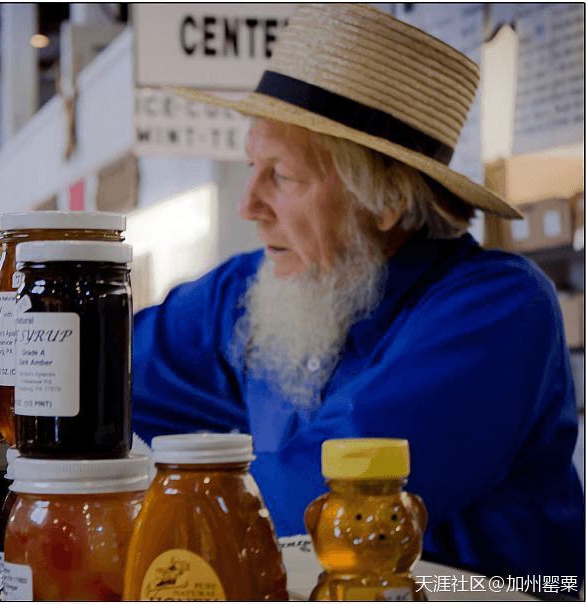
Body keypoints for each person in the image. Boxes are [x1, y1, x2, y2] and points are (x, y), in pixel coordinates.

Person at [131, 2, 583, 588]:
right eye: (251, 165)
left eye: (284, 176)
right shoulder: (249, 290)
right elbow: (95, 375)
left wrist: (157, 514)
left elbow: (323, 493)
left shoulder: (499, 307)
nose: (249, 206)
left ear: (385, 199)